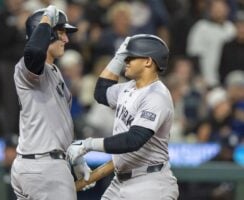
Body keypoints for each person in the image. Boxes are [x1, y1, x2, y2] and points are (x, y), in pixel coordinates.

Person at [67, 34, 179, 199]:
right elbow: (101, 92)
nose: (126, 61)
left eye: (131, 56)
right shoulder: (128, 88)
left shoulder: (157, 95)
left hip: (150, 184)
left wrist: (88, 145)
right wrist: (118, 56)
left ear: (148, 61)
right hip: (121, 181)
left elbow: (133, 140)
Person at [10, 5, 94, 200]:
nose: (66, 39)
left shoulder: (55, 73)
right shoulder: (27, 67)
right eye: (61, 33)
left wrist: (75, 158)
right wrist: (47, 18)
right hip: (45, 167)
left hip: (43, 165)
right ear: (46, 34)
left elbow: (58, 124)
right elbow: (34, 53)